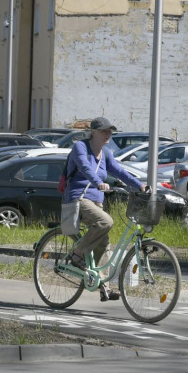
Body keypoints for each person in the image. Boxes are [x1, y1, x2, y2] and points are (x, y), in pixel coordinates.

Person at [63, 116, 148, 301]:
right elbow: (85, 168)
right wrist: (99, 182)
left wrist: (138, 185)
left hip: (97, 201)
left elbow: (119, 171)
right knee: (106, 221)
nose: (108, 134)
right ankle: (77, 255)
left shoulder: (106, 153)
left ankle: (104, 287)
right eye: (104, 131)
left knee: (104, 243)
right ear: (93, 132)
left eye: (110, 131)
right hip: (79, 198)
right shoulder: (81, 147)